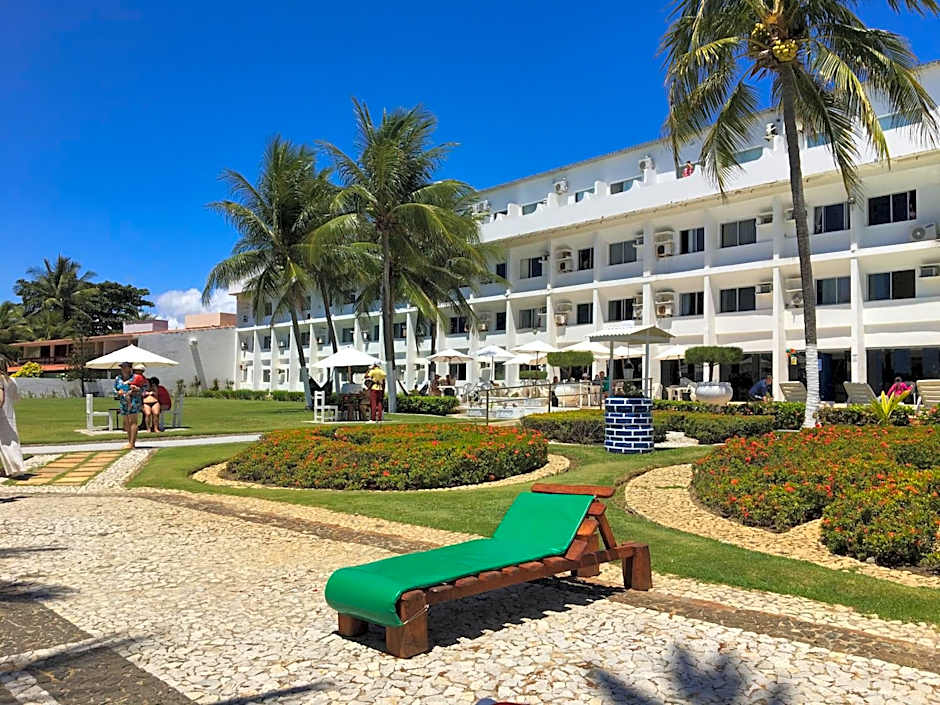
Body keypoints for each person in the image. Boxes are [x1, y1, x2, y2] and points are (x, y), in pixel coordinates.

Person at [0, 357, 25, 478]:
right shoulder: (12, 381)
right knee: (12, 441)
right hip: (9, 413)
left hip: (1, 414)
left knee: (4, 442)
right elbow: (16, 398)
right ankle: (16, 468)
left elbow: (0, 398)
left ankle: (11, 469)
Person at [114, 361, 143, 448]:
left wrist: (136, 388)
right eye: (122, 367)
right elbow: (114, 389)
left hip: (134, 400)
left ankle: (132, 443)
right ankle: (129, 441)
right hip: (123, 401)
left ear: (130, 368)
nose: (122, 369)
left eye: (125, 367)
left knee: (133, 421)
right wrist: (118, 392)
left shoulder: (136, 377)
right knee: (126, 422)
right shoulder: (118, 378)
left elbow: (144, 388)